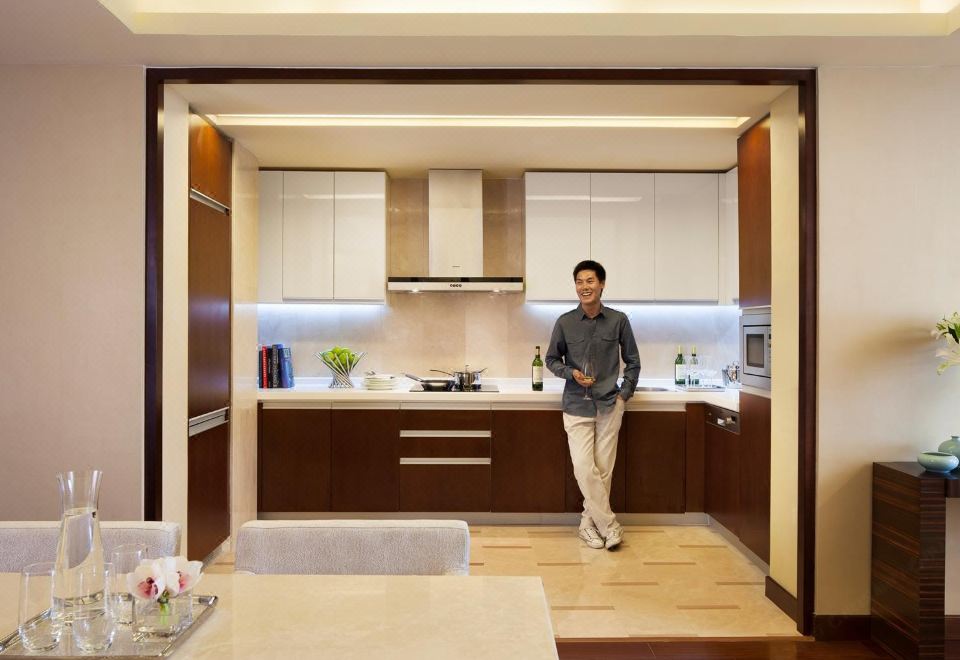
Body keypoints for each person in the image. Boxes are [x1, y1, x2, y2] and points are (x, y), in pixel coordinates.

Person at [545, 260, 641, 550]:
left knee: (603, 469)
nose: (584, 287)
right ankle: (609, 526)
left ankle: (587, 526)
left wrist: (624, 394)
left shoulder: (618, 320)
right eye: (579, 282)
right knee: (585, 468)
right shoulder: (565, 322)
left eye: (590, 281)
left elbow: (633, 362)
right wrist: (570, 373)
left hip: (610, 403)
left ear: (601, 284)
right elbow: (551, 360)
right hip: (576, 404)